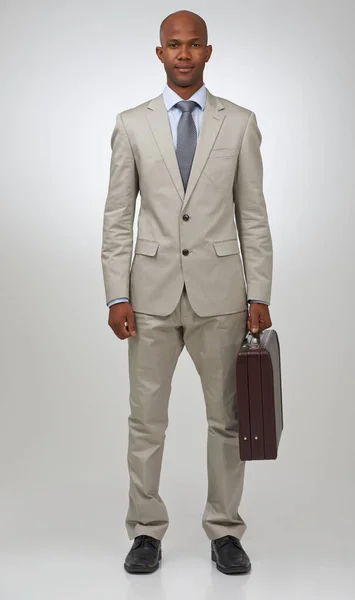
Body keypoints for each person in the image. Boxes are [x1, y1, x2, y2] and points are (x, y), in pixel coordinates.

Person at [101, 9, 273, 575]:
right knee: (146, 420)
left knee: (227, 419)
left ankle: (225, 530)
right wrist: (115, 293)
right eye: (173, 45)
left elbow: (253, 216)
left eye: (193, 45)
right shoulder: (132, 123)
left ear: (207, 52)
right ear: (159, 53)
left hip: (222, 296)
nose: (182, 54)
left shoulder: (240, 123)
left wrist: (259, 292)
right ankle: (145, 531)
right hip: (148, 296)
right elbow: (117, 217)